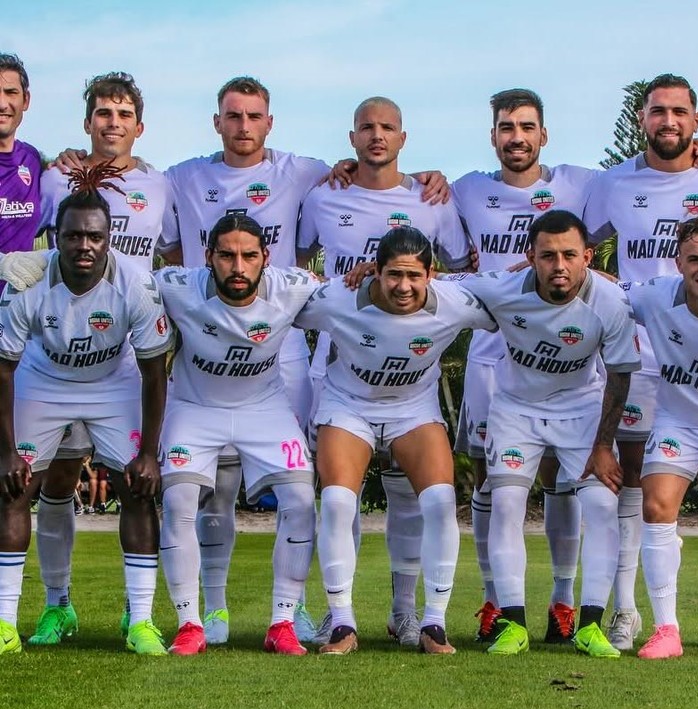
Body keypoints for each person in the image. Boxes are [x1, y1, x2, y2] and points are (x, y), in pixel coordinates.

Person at [159, 77, 449, 645]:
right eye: (233, 116)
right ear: (217, 121)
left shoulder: (310, 173)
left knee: (316, 489)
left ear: (271, 122)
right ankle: (208, 611)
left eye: (255, 116)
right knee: (214, 485)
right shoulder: (182, 176)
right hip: (213, 354)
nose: (244, 126)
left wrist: (415, 175)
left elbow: (364, 201)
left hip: (285, 351)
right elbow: (166, 252)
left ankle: (317, 611)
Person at [296, 95, 473, 646]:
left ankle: (417, 616)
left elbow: (478, 280)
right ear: (351, 138)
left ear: (403, 137)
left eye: (388, 127)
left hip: (412, 397)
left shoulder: (431, 198)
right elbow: (289, 281)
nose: (377, 136)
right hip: (342, 382)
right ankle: (341, 616)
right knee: (338, 500)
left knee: (425, 500)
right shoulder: (323, 195)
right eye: (366, 127)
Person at [294, 226, 497, 655]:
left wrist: (595, 282)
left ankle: (432, 624)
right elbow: (277, 298)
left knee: (440, 503)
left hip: (413, 409)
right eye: (393, 275)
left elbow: (515, 291)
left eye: (414, 276)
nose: (403, 287)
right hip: (348, 405)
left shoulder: (455, 301)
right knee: (336, 502)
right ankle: (342, 623)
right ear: (376, 273)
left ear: (432, 274)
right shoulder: (338, 298)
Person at [452, 210, 640, 657]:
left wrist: (601, 447)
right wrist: (370, 275)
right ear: (530, 258)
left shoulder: (610, 301)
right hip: (516, 410)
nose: (560, 265)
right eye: (548, 255)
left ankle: (590, 624)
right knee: (507, 503)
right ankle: (512, 624)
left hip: (582, 413)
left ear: (587, 257)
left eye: (570, 255)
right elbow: (434, 283)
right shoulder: (502, 288)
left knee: (600, 506)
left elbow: (619, 376)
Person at [0, 171, 173, 655]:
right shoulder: (27, 279)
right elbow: (3, 371)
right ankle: (7, 624)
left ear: (109, 239)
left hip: (112, 384)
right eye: (73, 235)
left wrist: (151, 455)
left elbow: (155, 371)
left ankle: (139, 621)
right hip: (45, 378)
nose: (84, 245)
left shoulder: (136, 284)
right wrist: (7, 451)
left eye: (95, 236)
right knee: (13, 487)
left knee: (138, 488)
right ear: (56, 238)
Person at [30, 71, 173, 646]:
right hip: (58, 353)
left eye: (123, 114)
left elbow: (180, 256)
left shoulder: (162, 185)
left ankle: (137, 615)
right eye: (102, 113)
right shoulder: (55, 175)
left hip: (125, 357)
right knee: (56, 480)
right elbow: (31, 250)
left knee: (135, 480)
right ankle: (57, 605)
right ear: (87, 122)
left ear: (139, 125)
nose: (113, 123)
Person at [451, 89, 596, 644]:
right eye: (506, 127)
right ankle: (496, 601)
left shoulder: (582, 184)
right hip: (494, 361)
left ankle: (563, 601)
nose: (517, 136)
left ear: (544, 134)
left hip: (567, 357)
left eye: (527, 126)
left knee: (566, 480)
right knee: (495, 482)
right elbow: (410, 192)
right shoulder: (464, 190)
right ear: (493, 136)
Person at [583, 73, 698, 650]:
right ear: (641, 119)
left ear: (696, 121)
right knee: (634, 480)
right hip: (643, 344)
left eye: (679, 112)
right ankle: (626, 610)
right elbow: (580, 249)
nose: (668, 121)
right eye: (657, 111)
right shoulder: (611, 182)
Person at [157, 213, 320, 655]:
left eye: (249, 256)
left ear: (266, 257)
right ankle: (189, 623)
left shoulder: (295, 286)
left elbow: (353, 297)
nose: (238, 266)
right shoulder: (176, 285)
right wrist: (40, 264)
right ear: (208, 257)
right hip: (195, 408)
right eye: (226, 255)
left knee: (302, 501)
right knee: (178, 501)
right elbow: (121, 282)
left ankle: (282, 622)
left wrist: (363, 276)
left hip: (264, 408)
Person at [620, 217, 698, 658]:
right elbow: (602, 290)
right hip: (678, 422)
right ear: (678, 262)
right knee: (656, 504)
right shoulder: (655, 296)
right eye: (695, 258)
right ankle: (667, 630)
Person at [0, 53, 42, 294]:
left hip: (17, 313)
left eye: (11, 92)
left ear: (25, 100)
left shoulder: (32, 160)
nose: (2, 103)